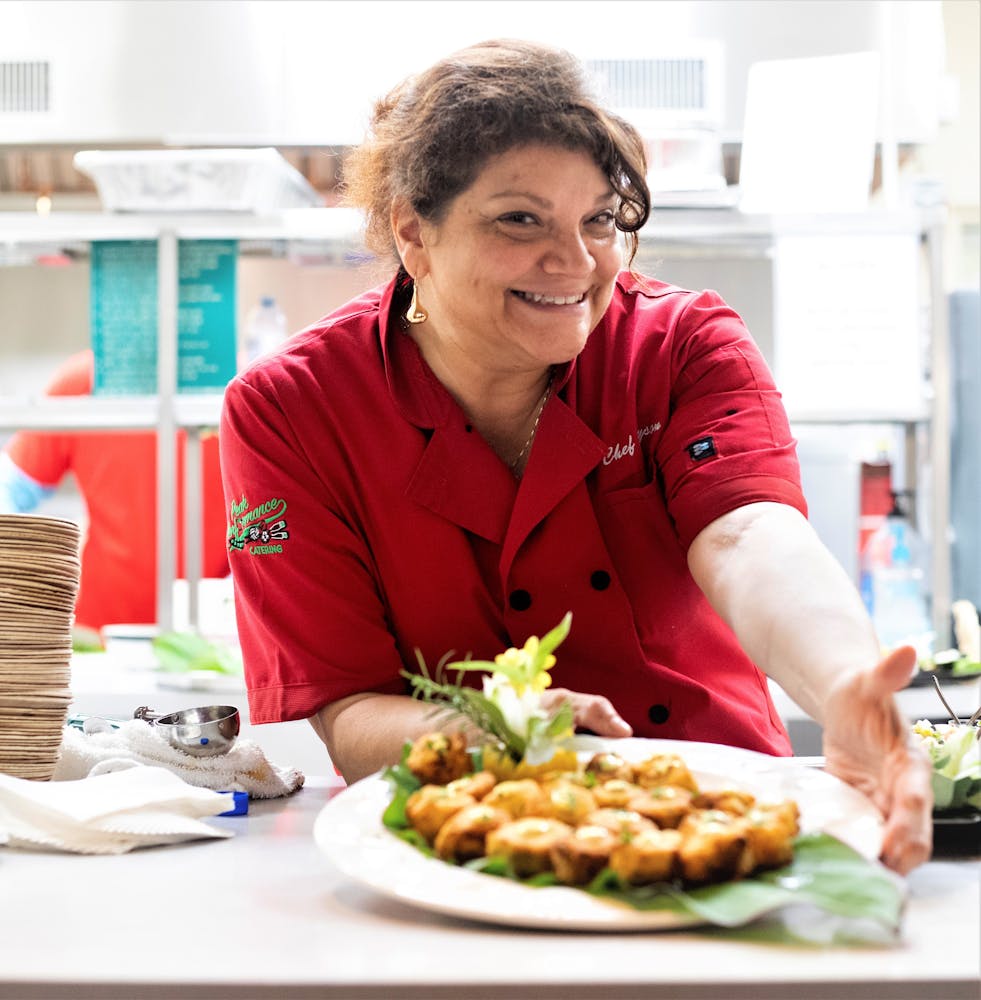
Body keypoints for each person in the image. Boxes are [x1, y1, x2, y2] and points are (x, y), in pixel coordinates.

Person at [220, 39, 932, 873]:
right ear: (414, 232)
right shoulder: (294, 410)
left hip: (714, 818)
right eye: (519, 219)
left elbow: (748, 537)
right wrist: (504, 733)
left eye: (598, 219)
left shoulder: (681, 346)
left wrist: (842, 683)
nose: (575, 261)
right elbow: (349, 715)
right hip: (467, 844)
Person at [0, 349, 229, 633]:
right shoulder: (85, 383)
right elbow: (10, 486)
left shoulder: (240, 386)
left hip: (214, 635)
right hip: (96, 635)